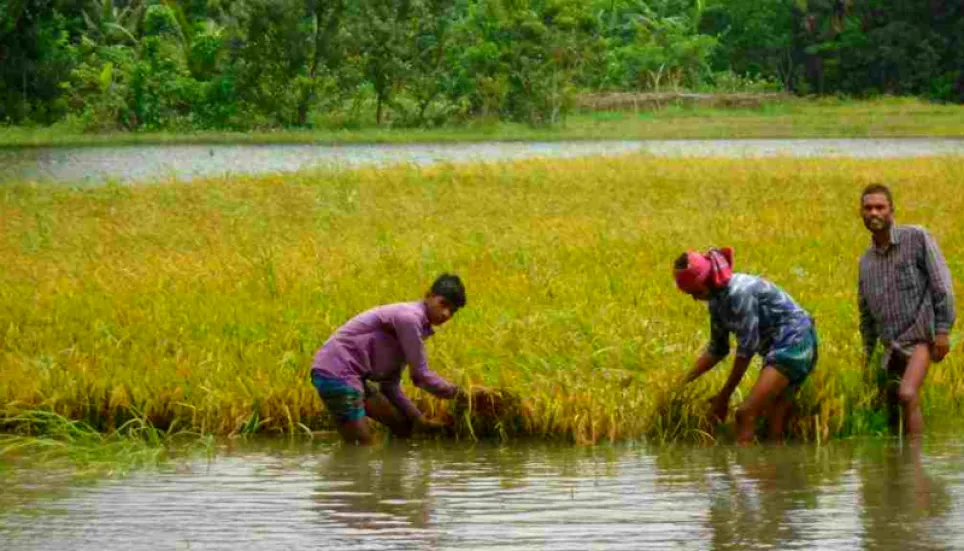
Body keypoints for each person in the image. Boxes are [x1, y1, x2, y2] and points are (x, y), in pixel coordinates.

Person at [674, 248, 818, 445]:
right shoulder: (716, 303)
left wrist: (723, 397)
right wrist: (680, 384)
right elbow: (717, 349)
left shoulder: (739, 293)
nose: (695, 298)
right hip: (777, 349)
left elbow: (746, 349)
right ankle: (779, 469)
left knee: (745, 413)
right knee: (773, 422)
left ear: (708, 279)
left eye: (696, 291)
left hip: (795, 343)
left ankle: (746, 470)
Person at [311, 273, 471, 445]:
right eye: (443, 304)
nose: (446, 314)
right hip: (336, 373)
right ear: (428, 295)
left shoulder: (415, 327)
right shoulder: (409, 318)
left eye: (452, 311)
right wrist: (462, 394)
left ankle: (392, 469)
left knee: (403, 426)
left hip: (352, 377)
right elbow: (420, 376)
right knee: (362, 449)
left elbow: (390, 386)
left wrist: (419, 419)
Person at [858, 183, 955, 437]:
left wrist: (943, 331)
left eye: (880, 207)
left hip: (920, 338)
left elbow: (942, 284)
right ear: (861, 213)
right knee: (889, 410)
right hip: (890, 346)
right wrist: (867, 355)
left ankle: (914, 469)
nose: (874, 213)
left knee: (907, 393)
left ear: (892, 210)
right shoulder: (865, 262)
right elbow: (866, 314)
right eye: (868, 208)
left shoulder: (916, 238)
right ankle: (896, 472)